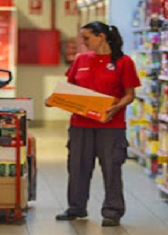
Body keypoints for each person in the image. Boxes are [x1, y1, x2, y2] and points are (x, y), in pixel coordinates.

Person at [51, 21, 141, 226]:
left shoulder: (124, 62)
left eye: (86, 37)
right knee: (77, 167)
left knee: (111, 168)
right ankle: (76, 207)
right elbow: (70, 88)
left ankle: (112, 211)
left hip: (111, 125)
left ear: (101, 37)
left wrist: (116, 108)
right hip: (80, 124)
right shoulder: (81, 59)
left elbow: (130, 94)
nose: (82, 42)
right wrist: (55, 98)